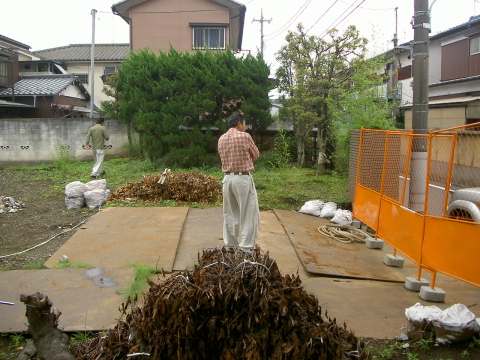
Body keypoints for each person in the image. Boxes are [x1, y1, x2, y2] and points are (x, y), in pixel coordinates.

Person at [218, 114, 260, 253]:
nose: (245, 127)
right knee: (248, 212)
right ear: (239, 123)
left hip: (227, 179)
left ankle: (230, 244)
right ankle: (247, 246)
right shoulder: (245, 136)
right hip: (242, 178)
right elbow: (256, 155)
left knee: (229, 213)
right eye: (244, 123)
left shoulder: (221, 138)